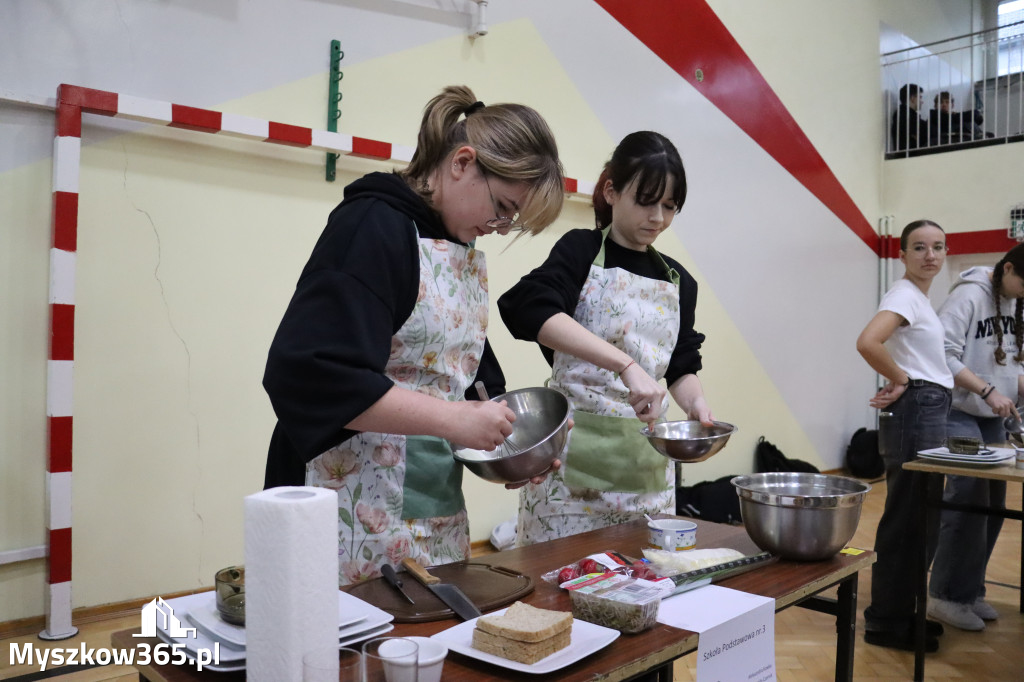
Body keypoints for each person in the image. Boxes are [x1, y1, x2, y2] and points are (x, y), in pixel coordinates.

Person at [262, 85, 565, 585]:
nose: (500, 226)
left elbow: (463, 383)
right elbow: (310, 374)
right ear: (462, 163)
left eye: (512, 220)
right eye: (503, 207)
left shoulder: (452, 249)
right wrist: (453, 419)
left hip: (432, 514)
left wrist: (516, 447)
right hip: (346, 508)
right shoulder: (372, 227)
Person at [498, 131, 712, 546]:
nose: (658, 218)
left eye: (669, 206)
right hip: (570, 475)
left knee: (639, 587)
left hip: (645, 472)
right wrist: (625, 365)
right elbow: (527, 308)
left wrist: (696, 404)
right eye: (646, 201)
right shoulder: (579, 251)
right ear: (611, 192)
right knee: (557, 591)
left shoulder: (678, 281)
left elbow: (681, 364)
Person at [856, 219, 954, 652]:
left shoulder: (920, 299)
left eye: (938, 247)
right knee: (909, 517)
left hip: (925, 407)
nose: (930, 255)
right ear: (902, 255)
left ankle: (905, 611)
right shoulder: (904, 295)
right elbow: (868, 341)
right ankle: (887, 622)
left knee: (922, 516)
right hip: (918, 408)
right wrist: (899, 379)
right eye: (919, 247)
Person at [927, 244, 1024, 630]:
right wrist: (986, 390)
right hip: (956, 410)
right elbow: (941, 356)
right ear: (1009, 268)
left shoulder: (1013, 298)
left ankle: (970, 590)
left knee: (994, 500)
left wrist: (1014, 394)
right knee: (967, 494)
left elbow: (1008, 359)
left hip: (990, 414)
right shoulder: (968, 295)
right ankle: (944, 596)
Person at [891, 83, 928, 151]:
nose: (922, 101)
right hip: (911, 154)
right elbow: (925, 131)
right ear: (912, 98)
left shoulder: (905, 113)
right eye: (920, 97)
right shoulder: (904, 114)